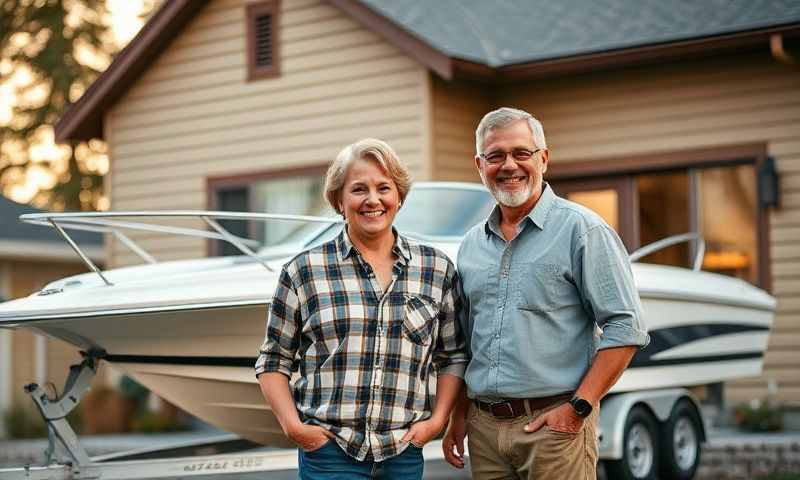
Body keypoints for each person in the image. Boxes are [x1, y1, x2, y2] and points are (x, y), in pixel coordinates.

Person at [442, 108, 649, 479]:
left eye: (522, 153)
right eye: (495, 156)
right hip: (485, 429)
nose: (509, 165)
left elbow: (625, 327)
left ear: (544, 159)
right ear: (479, 164)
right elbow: (467, 341)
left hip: (554, 427)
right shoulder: (471, 245)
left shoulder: (582, 230)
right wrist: (459, 416)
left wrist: (578, 409)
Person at [255, 138, 467, 480]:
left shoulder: (436, 269)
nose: (372, 200)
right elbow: (273, 359)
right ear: (339, 200)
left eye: (384, 188)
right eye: (358, 189)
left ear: (399, 197)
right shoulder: (303, 270)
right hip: (329, 455)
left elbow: (454, 355)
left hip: (403, 452)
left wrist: (438, 421)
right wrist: (294, 427)